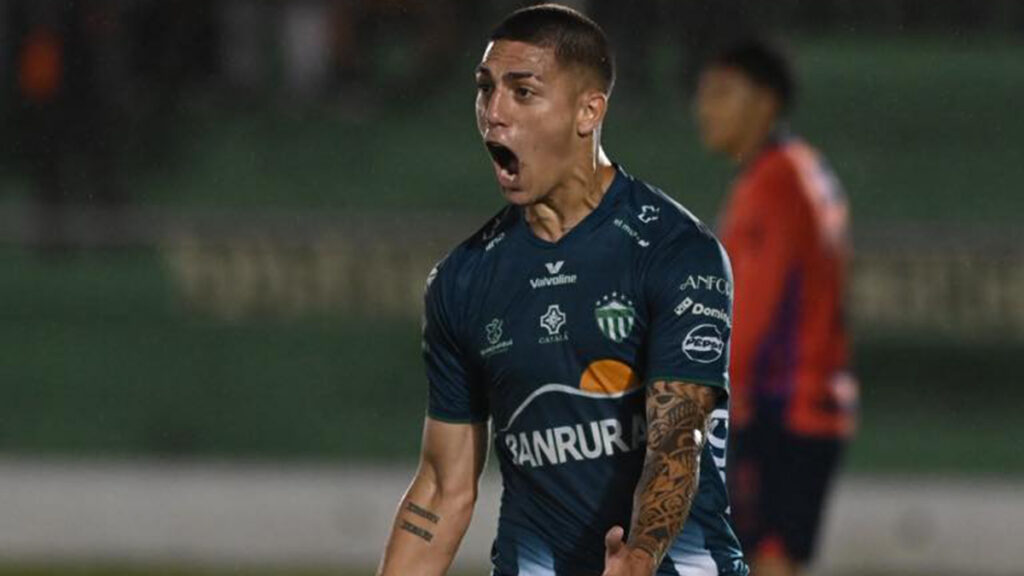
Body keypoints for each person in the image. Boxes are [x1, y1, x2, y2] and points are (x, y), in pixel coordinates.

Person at [377, 5, 747, 576]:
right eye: (485, 88)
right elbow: (442, 489)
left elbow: (678, 437)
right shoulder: (463, 280)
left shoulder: (674, 251)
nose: (493, 112)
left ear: (588, 111)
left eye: (522, 92)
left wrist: (640, 555)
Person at [694, 37, 858, 576]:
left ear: (765, 101)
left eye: (722, 93)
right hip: (806, 402)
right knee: (766, 554)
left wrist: (708, 393)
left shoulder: (775, 182)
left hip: (780, 405)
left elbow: (754, 310)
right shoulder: (800, 168)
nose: (705, 108)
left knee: (761, 556)